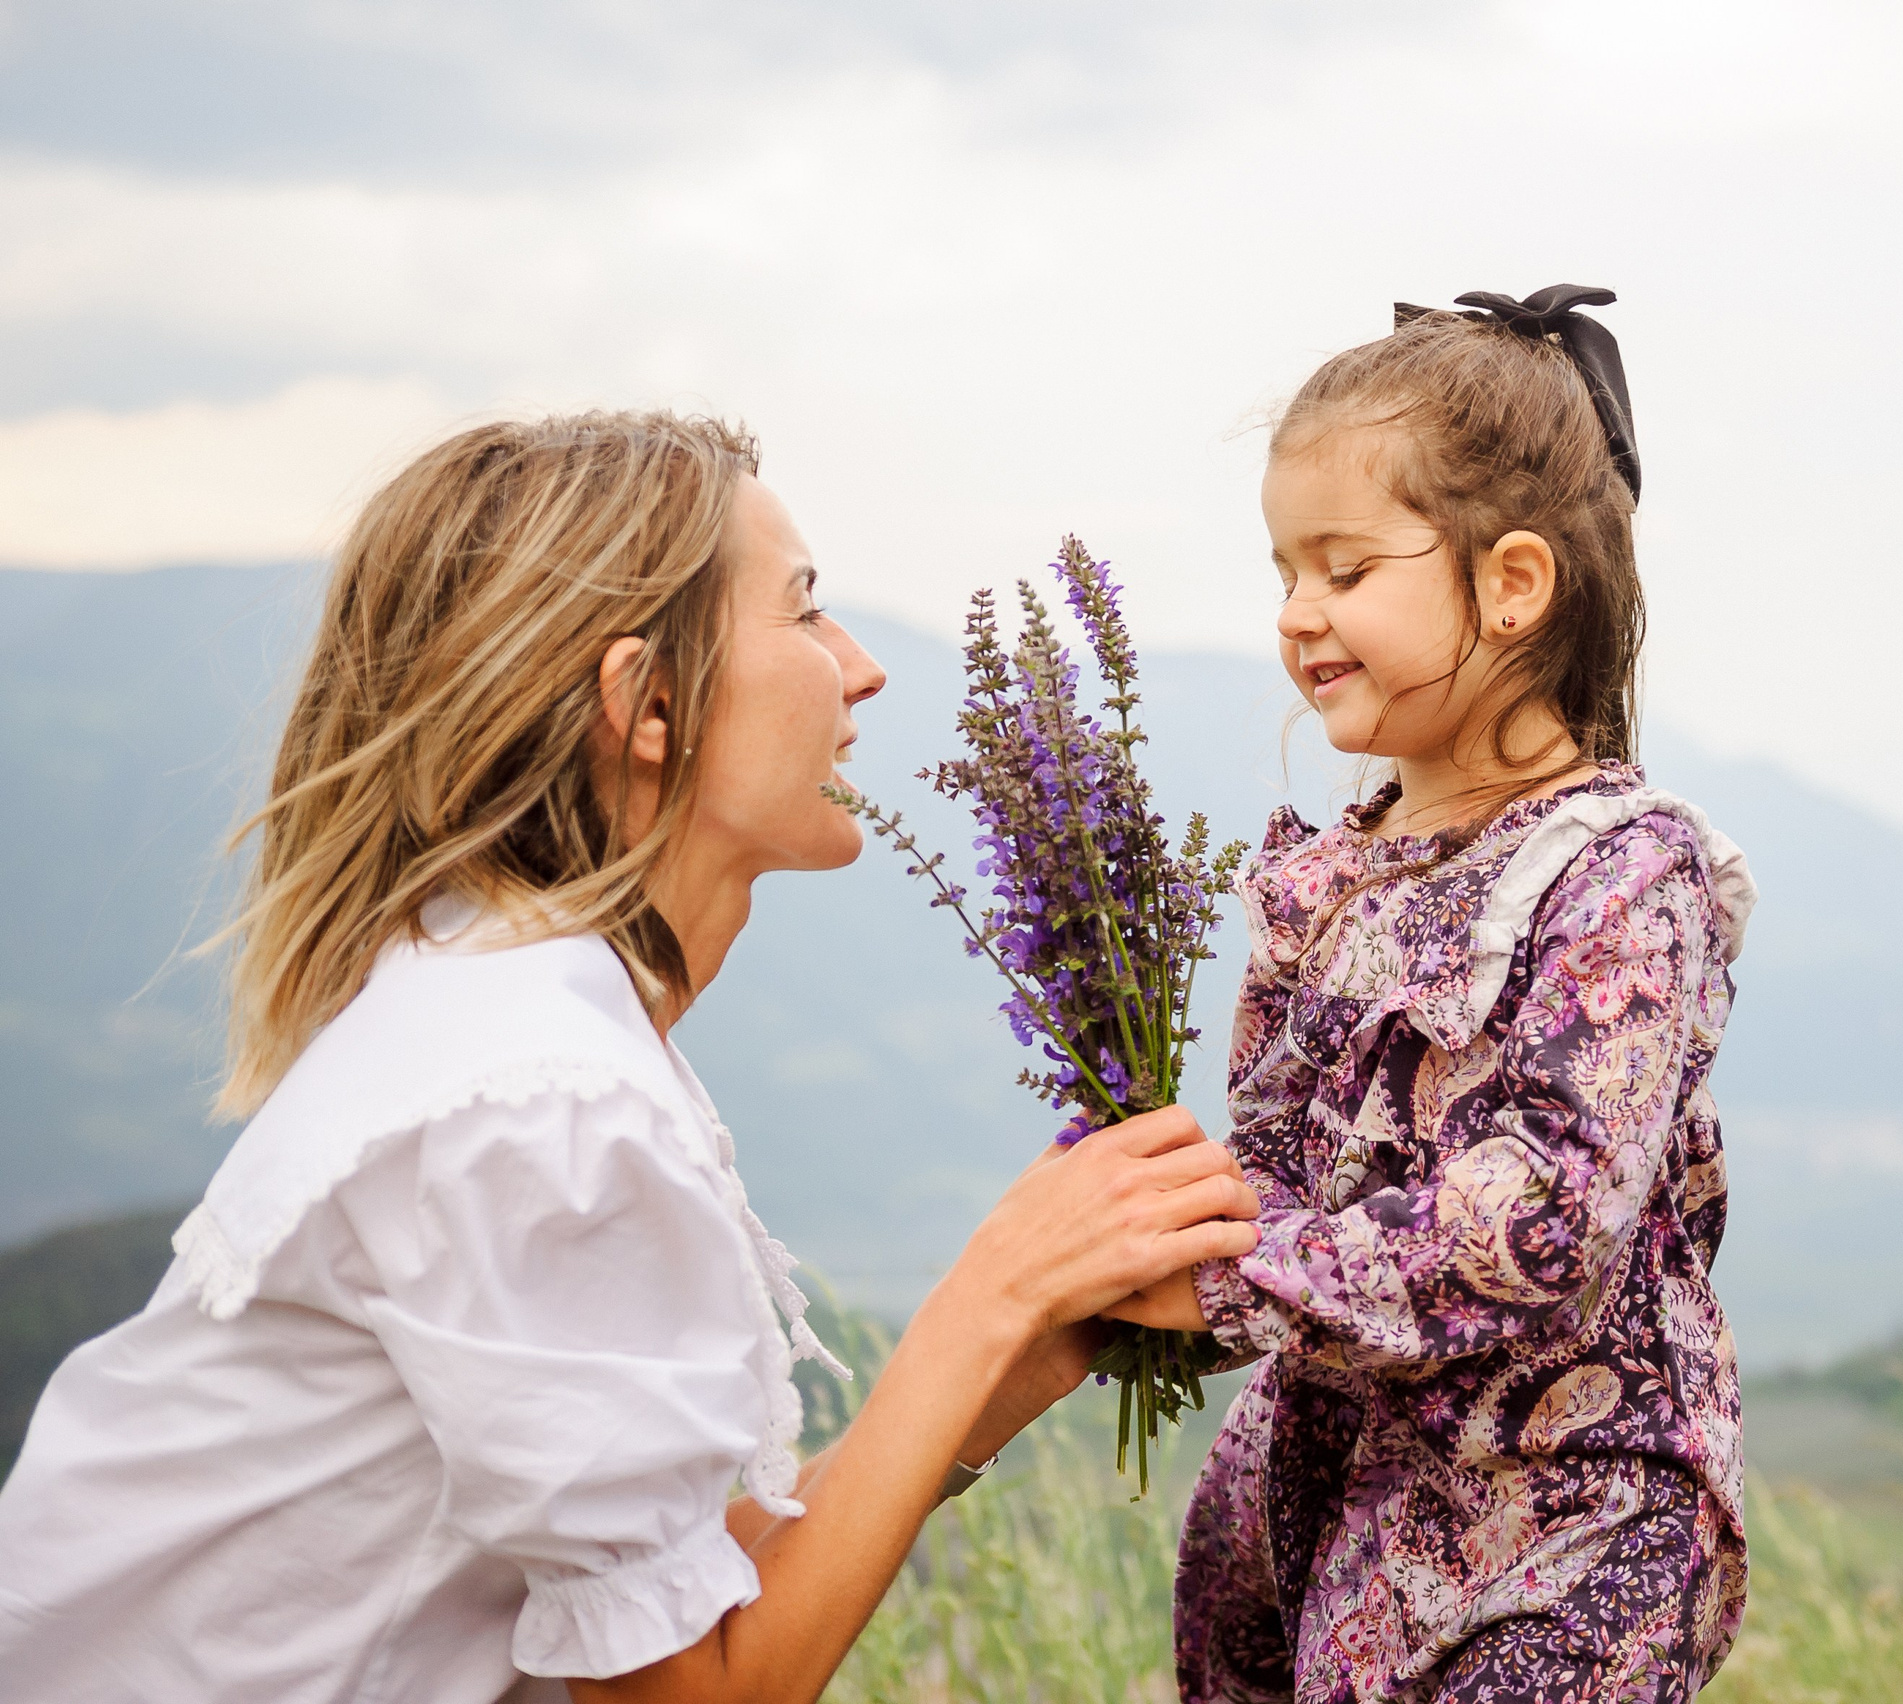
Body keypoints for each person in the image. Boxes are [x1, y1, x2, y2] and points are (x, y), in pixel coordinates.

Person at [0, 412, 1260, 1703]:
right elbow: (689, 1694)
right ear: (648, 704)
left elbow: (660, 1607)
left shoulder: (512, 1011)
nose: (865, 668)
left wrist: (1025, 1347)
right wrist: (987, 1294)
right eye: (805, 609)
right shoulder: (537, 1096)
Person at [1102, 288, 1759, 1701]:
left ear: (1513, 583)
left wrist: (1223, 1278)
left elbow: (1549, 1212)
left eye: (1344, 569)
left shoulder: (1622, 876)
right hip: (1341, 1516)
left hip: (1569, 1535)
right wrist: (1144, 1231)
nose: (1298, 615)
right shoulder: (1326, 881)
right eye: (1284, 572)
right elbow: (1279, 1169)